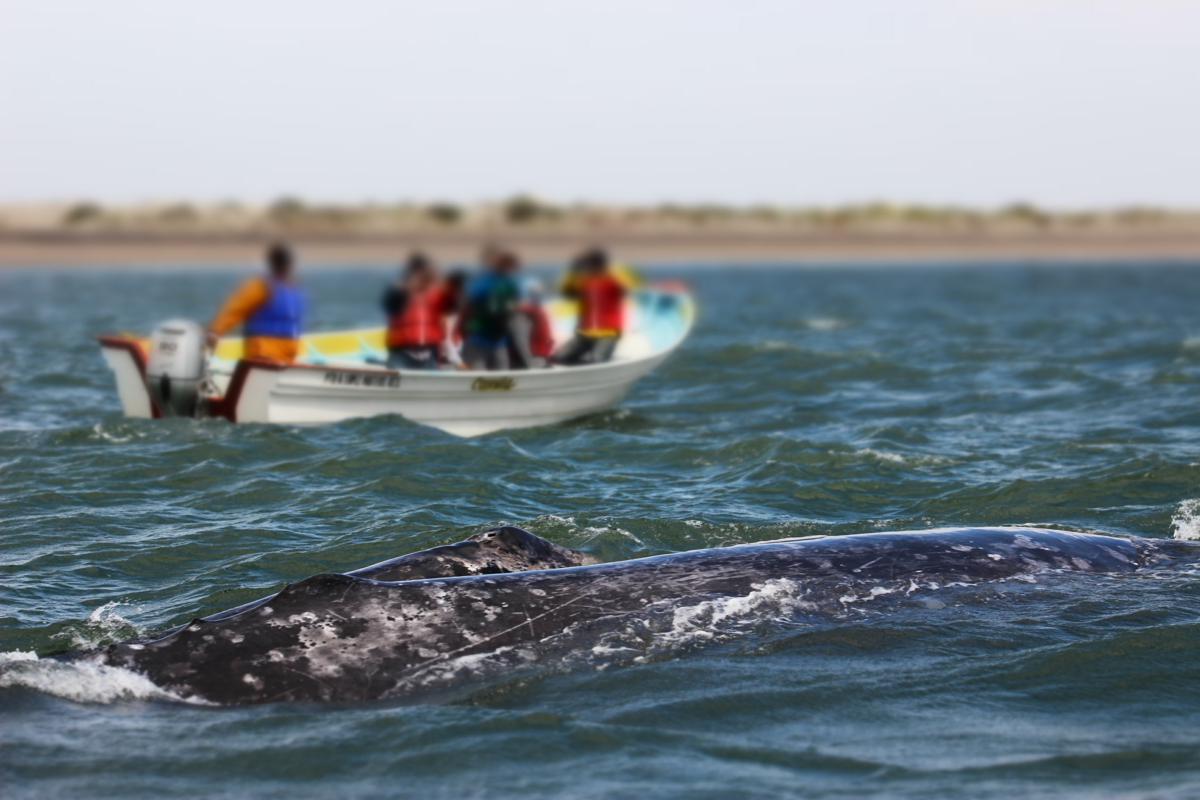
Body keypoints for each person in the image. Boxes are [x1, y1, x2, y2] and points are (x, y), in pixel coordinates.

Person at [208, 242, 306, 363]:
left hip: (285, 356)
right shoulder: (264, 287)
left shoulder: (289, 288)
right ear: (288, 265)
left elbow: (235, 310)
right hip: (264, 354)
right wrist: (216, 331)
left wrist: (216, 331)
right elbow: (236, 310)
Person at [382, 252, 460, 369]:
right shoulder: (398, 292)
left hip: (429, 349)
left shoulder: (439, 294)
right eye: (418, 275)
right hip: (401, 350)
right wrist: (408, 288)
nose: (422, 279)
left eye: (425, 275)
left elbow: (453, 308)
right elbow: (391, 305)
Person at [554, 248, 630, 365]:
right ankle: (583, 364)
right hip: (585, 332)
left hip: (608, 332)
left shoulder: (612, 281)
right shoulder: (584, 282)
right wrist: (573, 271)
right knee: (560, 357)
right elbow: (567, 294)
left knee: (597, 360)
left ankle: (595, 363)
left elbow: (624, 290)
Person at [460, 249, 521, 370]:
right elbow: (469, 302)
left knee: (498, 369)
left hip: (497, 337)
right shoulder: (487, 283)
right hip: (481, 335)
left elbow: (513, 306)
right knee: (482, 370)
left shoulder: (508, 283)